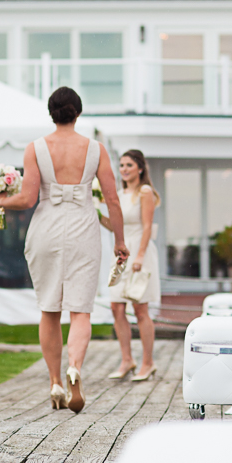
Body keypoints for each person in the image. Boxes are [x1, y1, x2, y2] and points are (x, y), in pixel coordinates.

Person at [0, 87, 127, 413]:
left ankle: (54, 381)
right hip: (82, 226)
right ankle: (74, 367)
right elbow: (113, 199)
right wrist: (120, 241)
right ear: (77, 113)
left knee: (49, 309)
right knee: (81, 309)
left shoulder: (36, 148)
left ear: (51, 113)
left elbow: (26, 199)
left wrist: (0, 202)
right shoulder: (95, 150)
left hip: (47, 228)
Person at [97, 149, 160, 383]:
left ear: (140, 168)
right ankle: (126, 359)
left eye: (129, 165)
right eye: (121, 165)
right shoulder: (119, 194)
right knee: (116, 306)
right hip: (121, 250)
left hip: (139, 251)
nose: (124, 169)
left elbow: (146, 226)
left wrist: (140, 256)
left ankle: (148, 361)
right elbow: (115, 227)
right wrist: (96, 213)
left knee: (140, 309)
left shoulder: (145, 192)